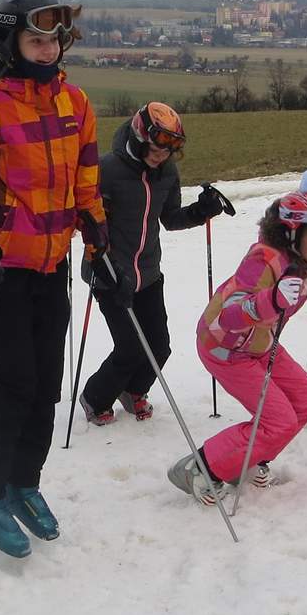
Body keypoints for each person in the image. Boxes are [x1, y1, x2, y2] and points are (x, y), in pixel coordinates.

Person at [0, 0, 105, 556]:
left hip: (51, 265)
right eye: (35, 39)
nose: (46, 49)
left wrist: (96, 226)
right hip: (3, 268)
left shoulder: (75, 104)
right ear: (10, 41)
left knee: (46, 388)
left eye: (54, 39)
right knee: (9, 387)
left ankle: (22, 483)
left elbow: (85, 177)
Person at [172, 191, 307, 503]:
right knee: (278, 421)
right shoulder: (263, 260)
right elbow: (230, 316)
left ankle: (248, 459)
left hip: (261, 345)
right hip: (225, 349)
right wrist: (273, 300)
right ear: (293, 234)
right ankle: (202, 467)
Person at [78, 102, 230, 425]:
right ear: (139, 137)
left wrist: (200, 212)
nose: (162, 157)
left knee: (160, 347)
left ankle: (133, 390)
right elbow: (91, 224)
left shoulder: (167, 174)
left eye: (169, 152)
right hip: (110, 275)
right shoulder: (108, 170)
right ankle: (95, 397)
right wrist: (102, 261)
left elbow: (171, 218)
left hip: (148, 275)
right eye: (157, 149)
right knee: (130, 347)